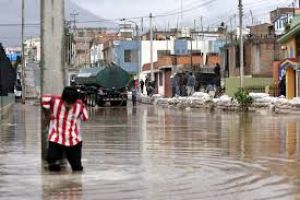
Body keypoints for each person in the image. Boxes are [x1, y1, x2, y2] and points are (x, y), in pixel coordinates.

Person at [41, 86, 88, 172]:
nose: (69, 105)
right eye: (67, 102)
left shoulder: (79, 105)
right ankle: (56, 181)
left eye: (72, 103)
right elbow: (43, 98)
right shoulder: (55, 101)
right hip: (56, 138)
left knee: (77, 168)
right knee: (51, 159)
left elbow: (85, 118)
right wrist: (48, 113)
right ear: (63, 99)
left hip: (73, 140)